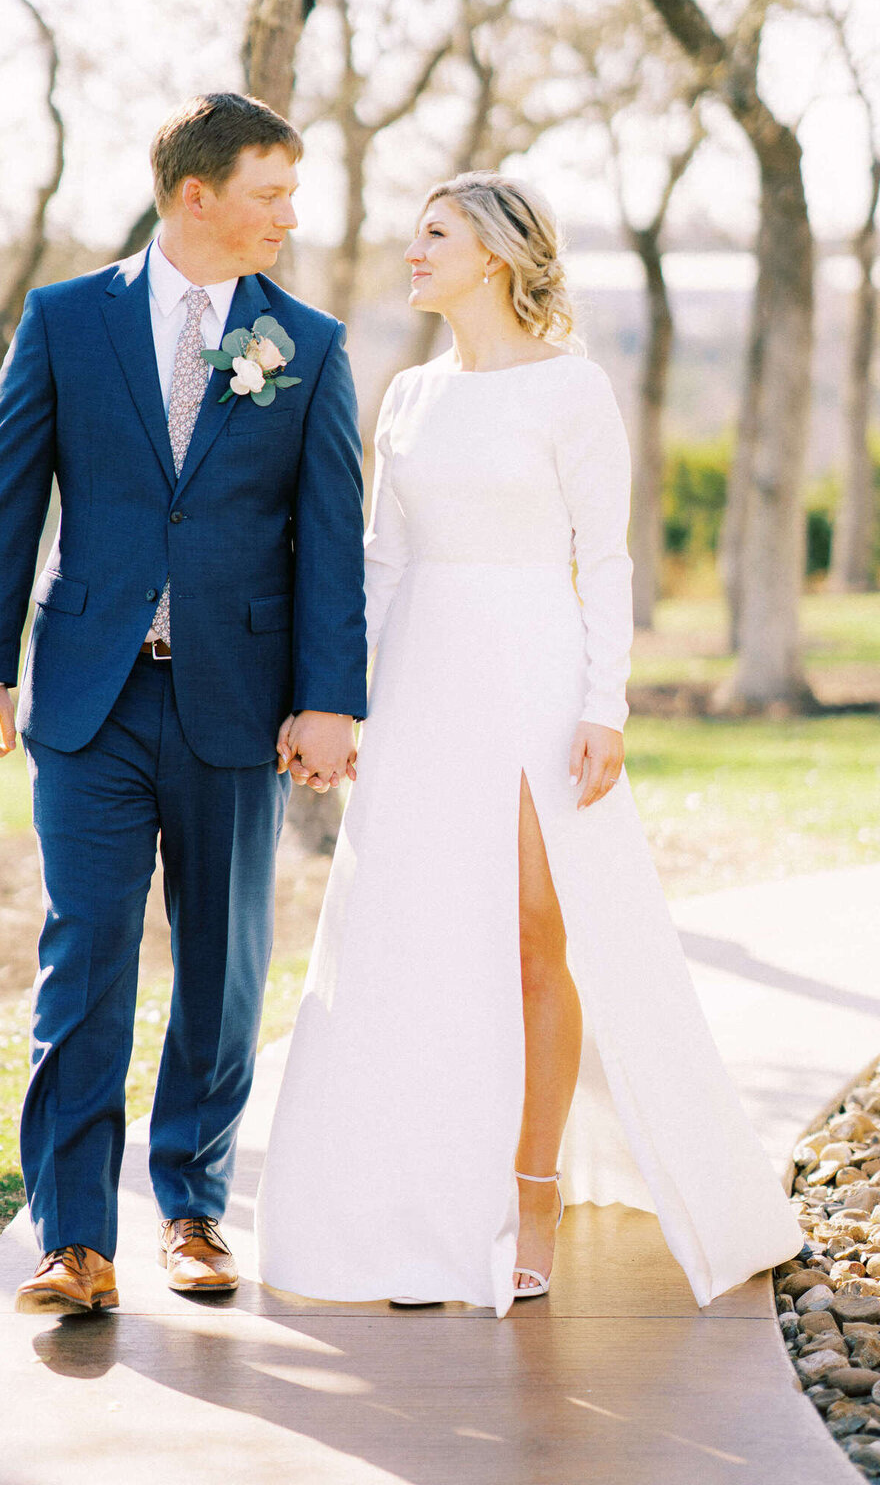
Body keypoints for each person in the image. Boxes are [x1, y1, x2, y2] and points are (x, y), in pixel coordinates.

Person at [257, 171, 802, 1313]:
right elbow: (381, 564)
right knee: (415, 936)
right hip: (420, 681)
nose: (414, 253)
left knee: (532, 933)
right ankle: (421, 1199)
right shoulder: (407, 395)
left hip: (538, 680)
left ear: (494, 256)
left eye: (434, 235)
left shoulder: (573, 393)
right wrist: (343, 701)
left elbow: (603, 561)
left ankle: (535, 1188)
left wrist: (606, 705)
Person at [0, 92, 367, 1315]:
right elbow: (5, 496)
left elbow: (332, 540)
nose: (290, 217)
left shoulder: (311, 346)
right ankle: (74, 1237)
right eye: (270, 193)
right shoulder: (67, 321)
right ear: (197, 195)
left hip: (238, 702)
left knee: (224, 965)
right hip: (88, 699)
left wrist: (330, 699)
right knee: (84, 955)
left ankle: (191, 1207)